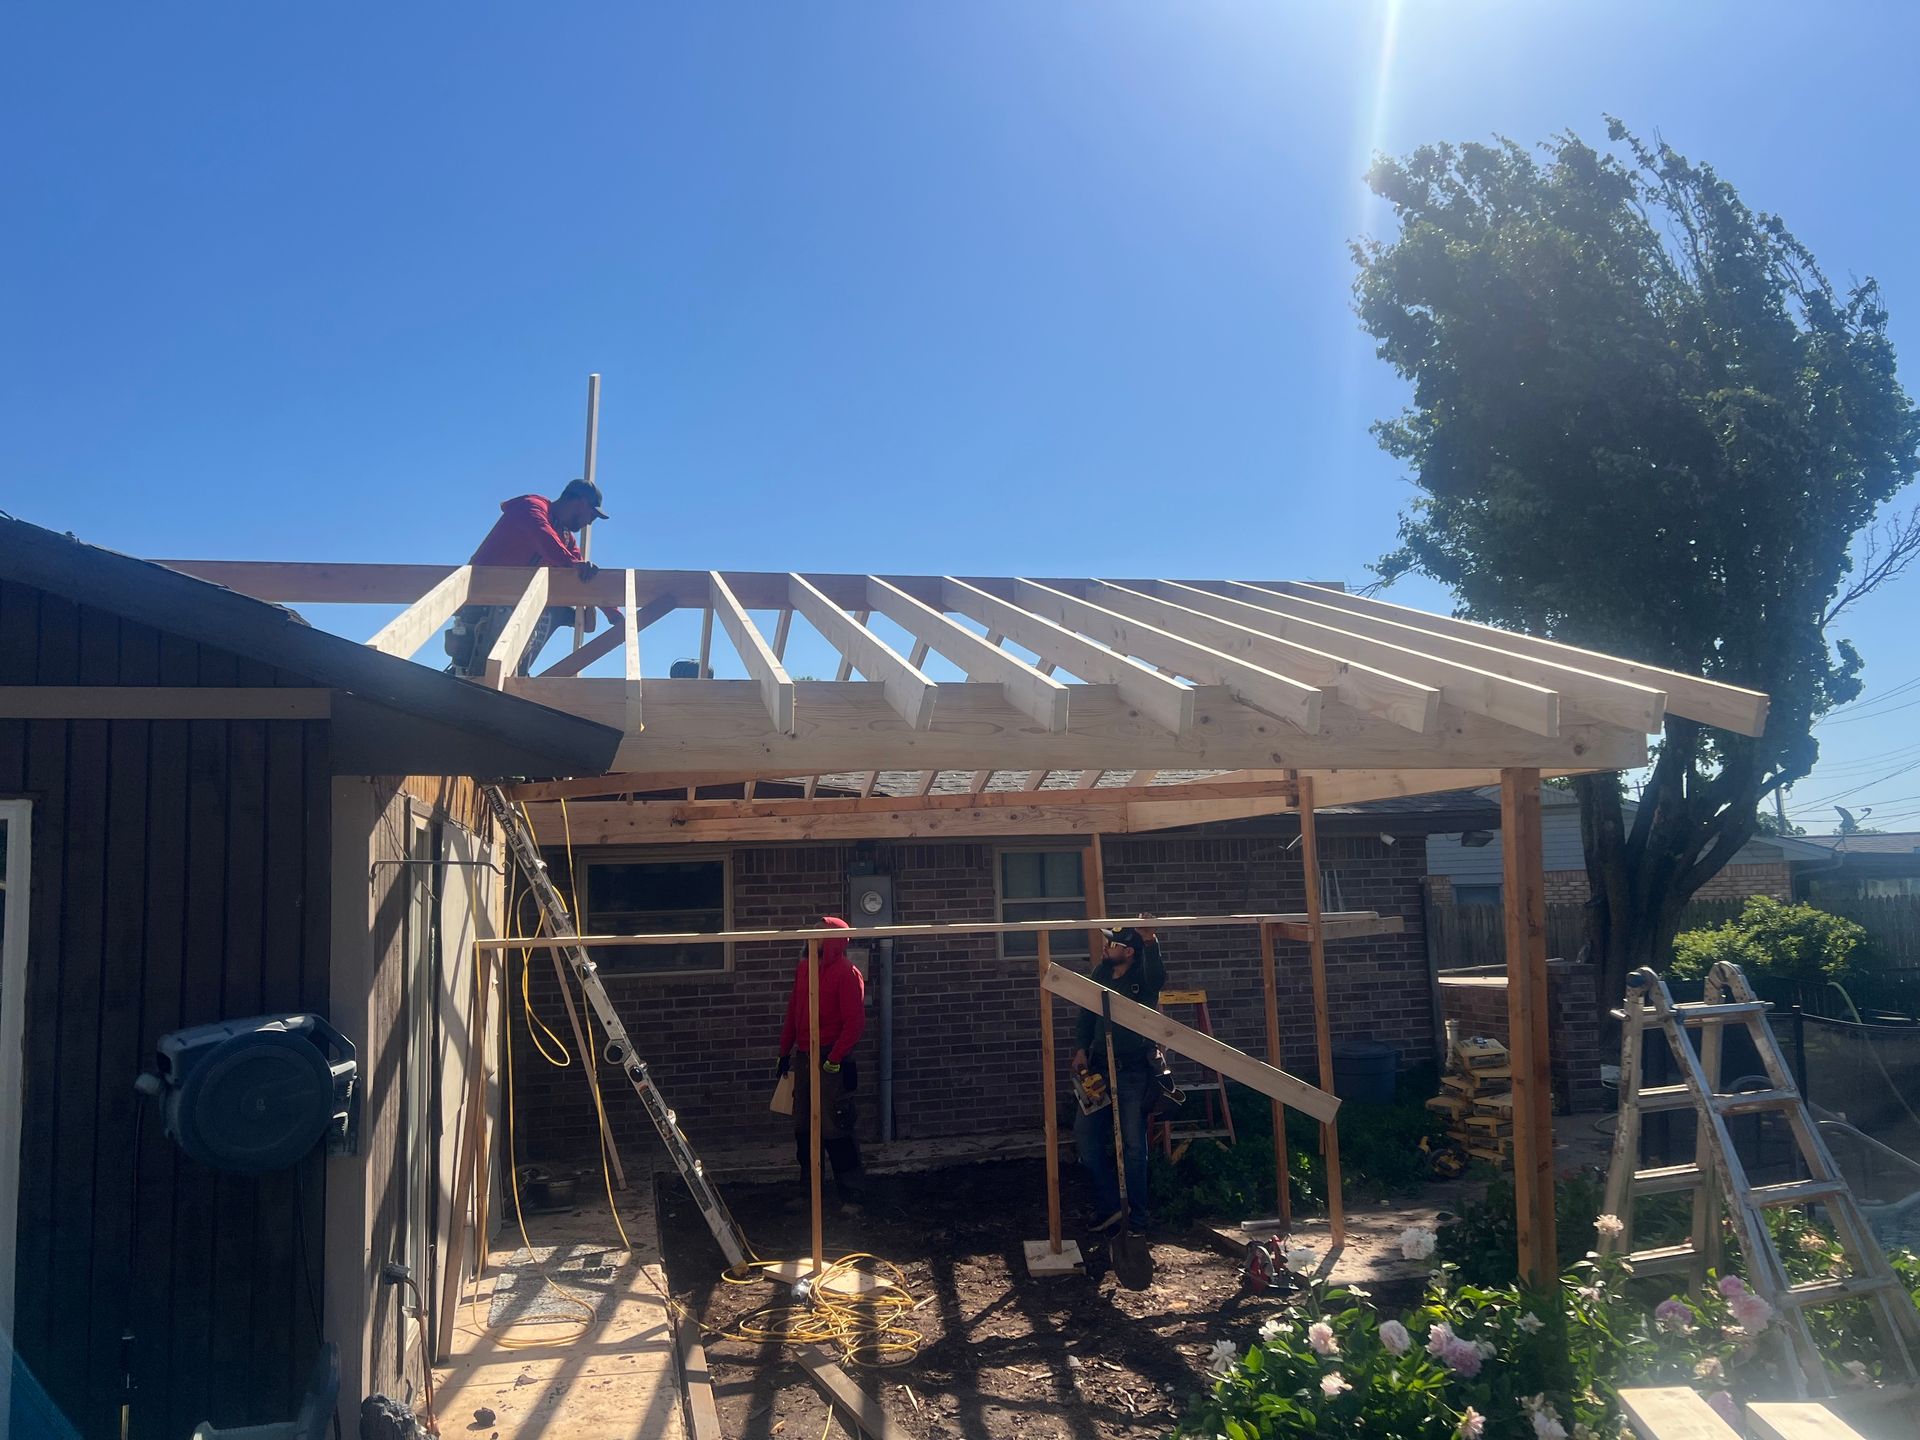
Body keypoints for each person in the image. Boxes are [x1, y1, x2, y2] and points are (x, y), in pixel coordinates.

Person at [444, 479, 618, 676]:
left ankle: (517, 670)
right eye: (592, 515)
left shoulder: (565, 537)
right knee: (482, 664)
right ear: (581, 503)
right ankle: (485, 671)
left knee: (557, 609)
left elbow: (579, 572)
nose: (589, 522)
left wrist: (613, 613)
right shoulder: (531, 507)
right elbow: (543, 536)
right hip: (483, 603)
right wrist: (571, 563)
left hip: (512, 606)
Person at [1071, 924, 1164, 1236]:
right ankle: (1111, 1207)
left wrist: (1151, 941)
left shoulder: (1142, 978)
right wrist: (1082, 1047)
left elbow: (1158, 979)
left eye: (1112, 946)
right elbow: (1086, 1012)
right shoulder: (1100, 973)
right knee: (1086, 1140)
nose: (1105, 949)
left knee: (1134, 1146)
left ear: (1128, 952)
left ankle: (1136, 1218)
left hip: (1132, 1070)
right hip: (1099, 1067)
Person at [775, 916, 867, 1204]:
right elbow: (794, 1011)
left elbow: (854, 1024)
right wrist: (783, 1052)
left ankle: (851, 1195)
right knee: (803, 1124)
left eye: (818, 934)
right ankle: (809, 1191)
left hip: (830, 1058)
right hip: (804, 1056)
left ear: (833, 940)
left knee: (835, 1125)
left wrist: (836, 1058)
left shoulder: (847, 973)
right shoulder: (804, 969)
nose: (811, 938)